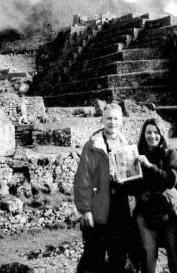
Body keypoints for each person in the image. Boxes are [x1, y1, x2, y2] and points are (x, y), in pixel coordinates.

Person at [74, 103, 132, 273]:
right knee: (94, 257)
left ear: (121, 121)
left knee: (119, 254)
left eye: (115, 119)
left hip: (120, 207)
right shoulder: (93, 146)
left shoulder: (126, 145)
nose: (112, 122)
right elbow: (82, 179)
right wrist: (85, 210)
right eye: (108, 118)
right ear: (102, 120)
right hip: (98, 206)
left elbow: (131, 178)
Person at [132, 118, 177, 273]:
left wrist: (148, 166)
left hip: (168, 211)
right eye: (149, 132)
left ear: (162, 134)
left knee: (175, 255)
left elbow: (170, 180)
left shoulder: (171, 154)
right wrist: (119, 178)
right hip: (145, 211)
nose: (152, 136)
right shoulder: (136, 154)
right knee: (148, 254)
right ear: (143, 134)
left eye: (156, 132)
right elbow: (132, 187)